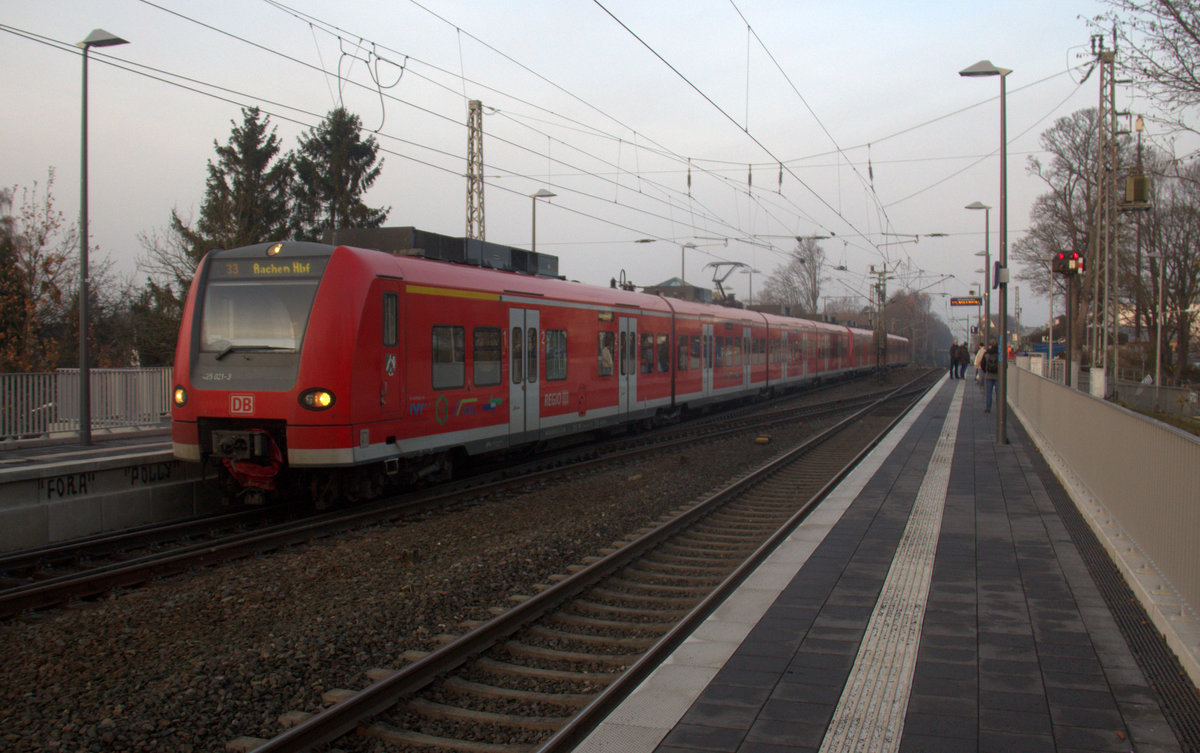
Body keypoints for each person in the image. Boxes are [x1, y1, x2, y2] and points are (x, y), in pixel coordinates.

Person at [983, 340, 1000, 412]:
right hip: (998, 376)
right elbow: (1005, 365)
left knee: (989, 393)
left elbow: (982, 364)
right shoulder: (1000, 354)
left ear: (991, 345)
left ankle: (988, 408)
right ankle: (999, 408)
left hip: (989, 376)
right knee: (998, 393)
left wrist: (985, 371)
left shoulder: (987, 353)